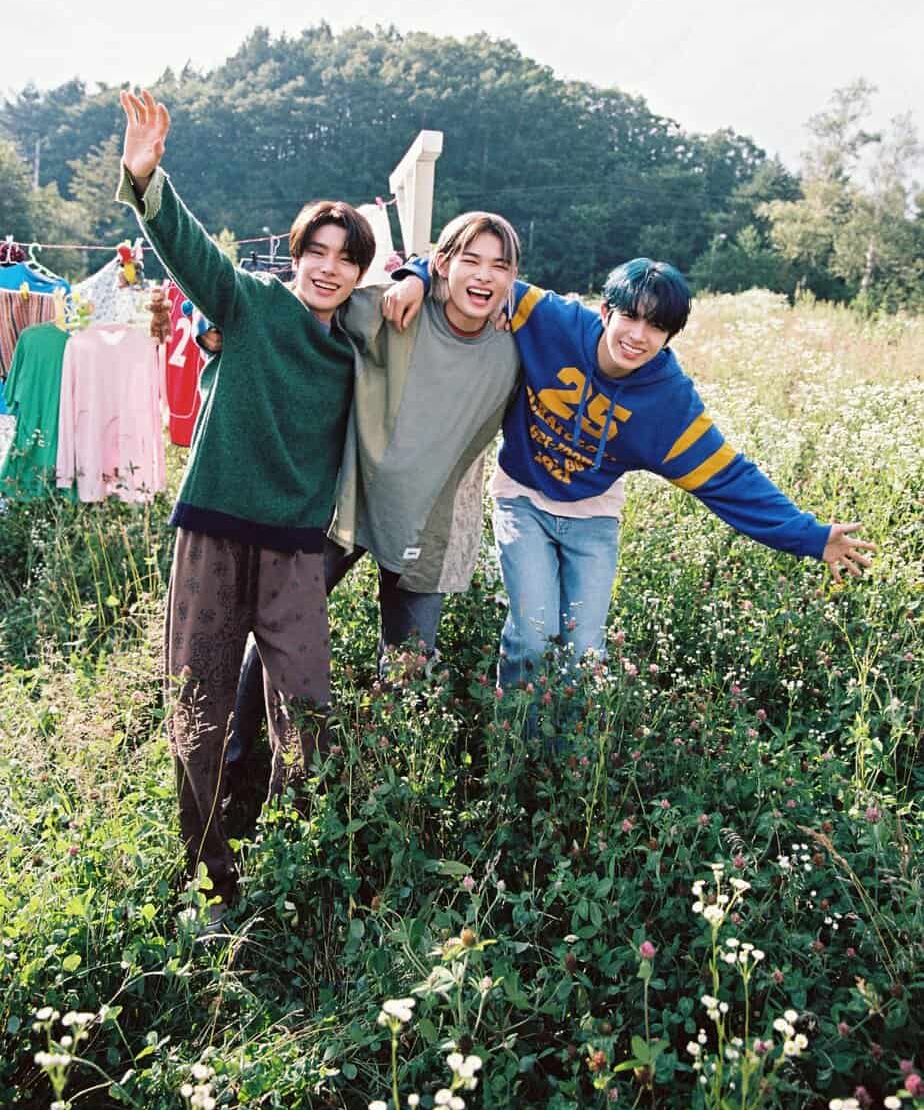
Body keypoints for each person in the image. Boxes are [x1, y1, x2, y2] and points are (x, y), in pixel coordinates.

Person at [116, 89, 377, 925]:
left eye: (346, 258)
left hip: (296, 548)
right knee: (195, 705)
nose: (328, 268)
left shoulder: (356, 350)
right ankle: (209, 877)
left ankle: (292, 861)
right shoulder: (250, 305)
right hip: (215, 532)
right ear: (295, 257)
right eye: (316, 251)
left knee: (305, 708)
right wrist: (147, 182)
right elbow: (192, 255)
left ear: (360, 274)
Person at [383, 257, 874, 692]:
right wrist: (417, 276)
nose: (638, 336)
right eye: (631, 317)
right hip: (523, 498)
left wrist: (810, 536)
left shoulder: (669, 404)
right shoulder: (551, 319)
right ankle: (517, 747)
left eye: (656, 327)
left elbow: (730, 479)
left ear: (670, 337)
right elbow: (480, 276)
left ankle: (565, 753)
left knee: (584, 653)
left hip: (593, 518)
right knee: (532, 637)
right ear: (605, 312)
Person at [216, 210, 522, 792]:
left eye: (499, 266)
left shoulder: (513, 348)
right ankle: (235, 761)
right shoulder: (393, 308)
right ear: (444, 264)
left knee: (408, 671)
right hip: (346, 503)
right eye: (470, 261)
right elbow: (306, 304)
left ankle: (378, 794)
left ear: (513, 279)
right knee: (278, 626)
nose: (484, 276)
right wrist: (211, 328)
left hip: (429, 524)